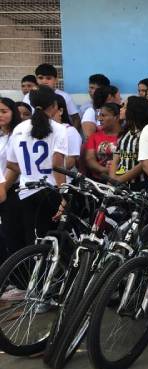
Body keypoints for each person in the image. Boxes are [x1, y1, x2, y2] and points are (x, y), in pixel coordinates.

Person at [4, 87, 68, 248]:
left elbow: (10, 163)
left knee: (33, 241)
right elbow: (57, 165)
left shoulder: (19, 129)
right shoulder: (59, 129)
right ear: (54, 105)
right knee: (55, 243)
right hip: (51, 191)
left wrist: (29, 171)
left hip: (26, 191)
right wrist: (64, 196)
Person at [110, 96, 148, 190]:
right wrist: (112, 179)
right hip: (119, 183)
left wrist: (120, 180)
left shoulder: (146, 133)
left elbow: (143, 164)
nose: (121, 109)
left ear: (134, 111)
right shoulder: (125, 132)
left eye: (124, 107)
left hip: (139, 185)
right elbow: (116, 158)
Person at [23, 64, 79, 128]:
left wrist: (71, 132)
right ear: (36, 79)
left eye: (48, 78)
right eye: (40, 78)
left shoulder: (64, 96)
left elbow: (75, 118)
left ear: (56, 80)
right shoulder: (27, 97)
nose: (44, 81)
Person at [0, 97, 21, 259]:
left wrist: (3, 189)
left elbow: (15, 167)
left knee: (11, 234)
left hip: (11, 189)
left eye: (4, 111)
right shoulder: (1, 136)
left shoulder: (18, 135)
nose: (0, 115)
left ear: (13, 113)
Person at [85, 103, 121, 180]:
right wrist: (105, 170)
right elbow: (90, 159)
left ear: (117, 117)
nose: (99, 119)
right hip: (99, 180)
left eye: (103, 115)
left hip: (122, 179)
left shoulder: (125, 136)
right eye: (99, 115)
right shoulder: (94, 137)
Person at [52, 95, 82, 172]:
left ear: (60, 111)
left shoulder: (70, 131)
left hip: (64, 176)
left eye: (50, 109)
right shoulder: (42, 131)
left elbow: (70, 162)